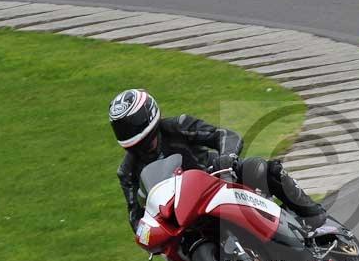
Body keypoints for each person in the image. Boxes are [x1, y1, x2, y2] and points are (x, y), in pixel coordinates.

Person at [109, 88, 326, 232]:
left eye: (131, 123)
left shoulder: (178, 126)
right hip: (184, 213)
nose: (127, 131)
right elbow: (135, 214)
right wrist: (148, 231)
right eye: (121, 127)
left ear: (148, 115)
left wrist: (226, 159)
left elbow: (224, 135)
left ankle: (315, 215)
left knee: (260, 167)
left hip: (218, 179)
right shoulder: (127, 171)